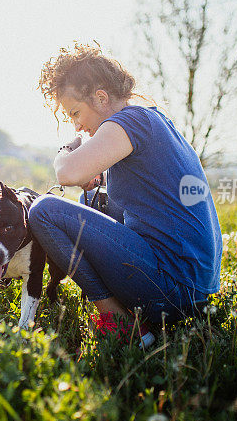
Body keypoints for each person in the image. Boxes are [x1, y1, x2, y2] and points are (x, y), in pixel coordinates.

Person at [28, 43, 222, 344]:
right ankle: (130, 313)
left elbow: (67, 174)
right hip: (197, 291)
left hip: (172, 291)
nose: (77, 125)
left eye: (76, 113)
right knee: (92, 202)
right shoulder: (151, 118)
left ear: (101, 97)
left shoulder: (128, 122)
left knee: (44, 211)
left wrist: (67, 149)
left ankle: (116, 319)